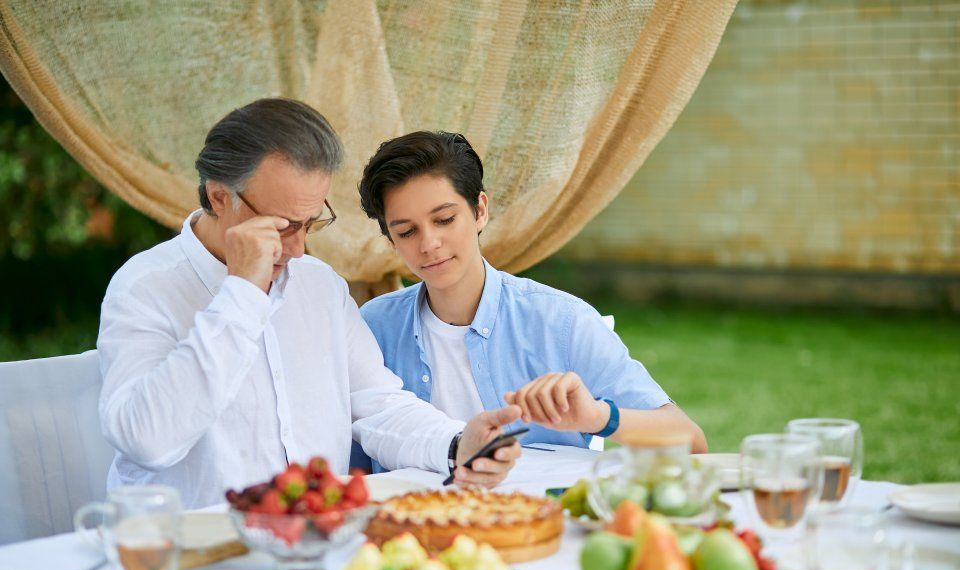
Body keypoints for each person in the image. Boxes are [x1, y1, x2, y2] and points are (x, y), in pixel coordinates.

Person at [97, 100, 521, 508]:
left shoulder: (318, 285)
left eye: (310, 223)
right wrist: (242, 295)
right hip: (191, 561)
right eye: (283, 225)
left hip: (318, 544)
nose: (299, 249)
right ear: (219, 197)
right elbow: (147, 441)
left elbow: (377, 405)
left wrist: (458, 442)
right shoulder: (143, 288)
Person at [357, 131, 706, 463]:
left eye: (445, 219)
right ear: (390, 240)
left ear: (480, 210)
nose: (429, 244)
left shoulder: (562, 322)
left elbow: (689, 442)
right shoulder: (372, 328)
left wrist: (599, 417)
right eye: (406, 231)